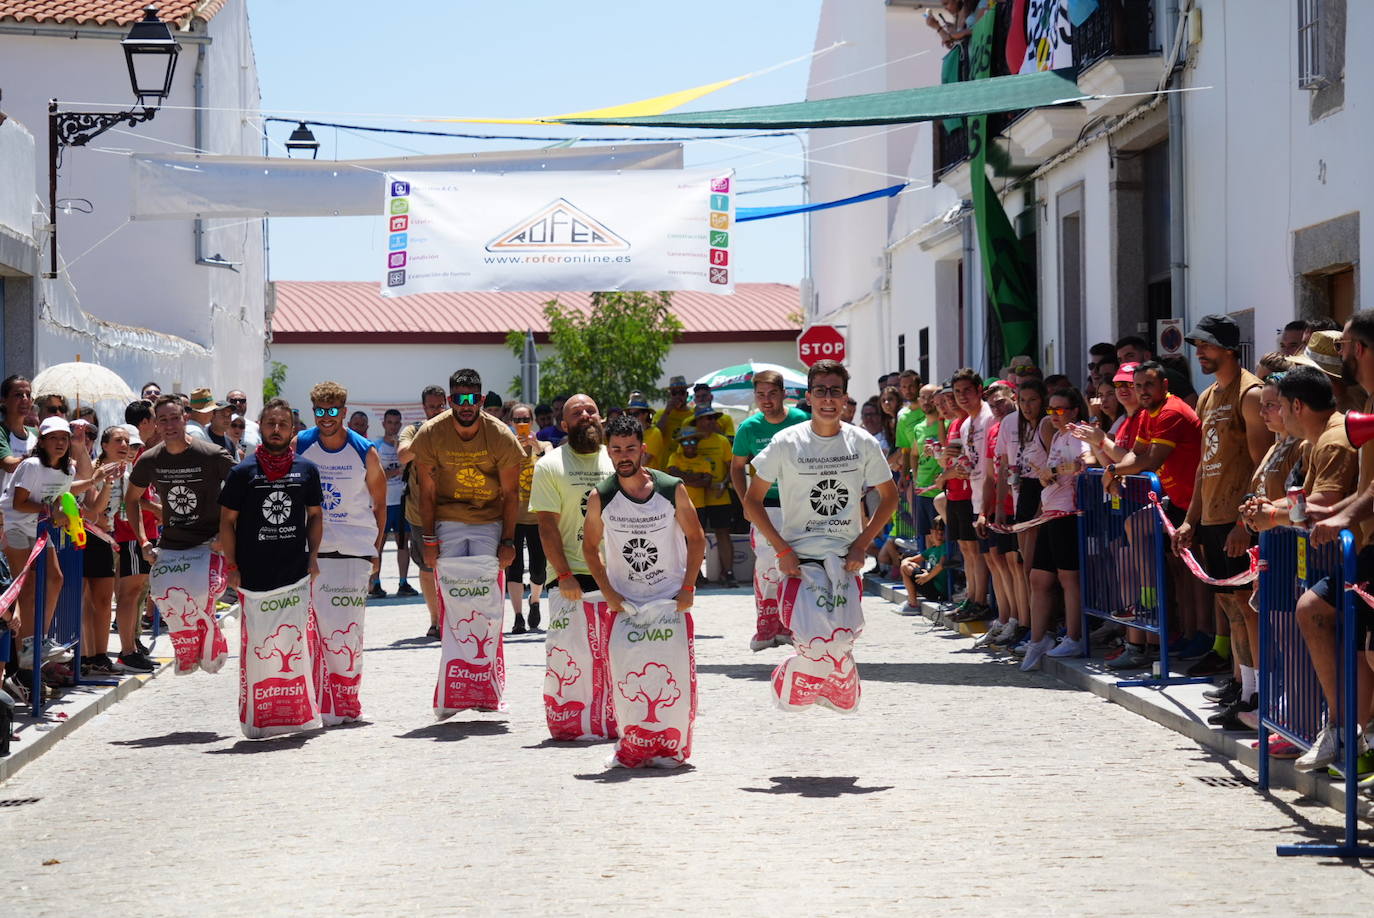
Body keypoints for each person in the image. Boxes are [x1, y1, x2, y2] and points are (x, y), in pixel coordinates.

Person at [582, 413, 706, 769]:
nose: (623, 455)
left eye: (630, 448)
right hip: (626, 607)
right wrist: (608, 592)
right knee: (626, 677)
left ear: (643, 451)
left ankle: (672, 746)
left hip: (669, 602)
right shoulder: (601, 496)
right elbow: (590, 548)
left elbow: (696, 538)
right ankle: (632, 746)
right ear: (608, 451)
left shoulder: (671, 489)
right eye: (617, 448)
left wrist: (688, 587)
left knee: (675, 677)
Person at [743, 359, 898, 610]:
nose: (828, 399)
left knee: (841, 642)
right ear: (809, 397)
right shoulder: (785, 442)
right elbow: (752, 500)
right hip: (798, 562)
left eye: (835, 391)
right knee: (812, 642)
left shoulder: (863, 442)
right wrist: (782, 551)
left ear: (844, 398)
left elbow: (890, 497)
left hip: (846, 561)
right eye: (820, 391)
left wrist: (861, 545)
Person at [1172, 315, 1267, 681]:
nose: (1200, 353)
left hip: (1237, 520)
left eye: (1206, 345)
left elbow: (1263, 465)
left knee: (1246, 606)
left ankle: (1253, 693)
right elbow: (1203, 465)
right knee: (1229, 605)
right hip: (1211, 517)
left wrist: (1245, 522)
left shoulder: (1251, 393)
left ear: (1229, 349)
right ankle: (1240, 686)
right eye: (1197, 347)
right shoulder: (1208, 397)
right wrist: (1189, 520)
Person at [1308, 310, 1374, 772]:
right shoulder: (1368, 402)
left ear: (1362, 349)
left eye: (1345, 345)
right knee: (1315, 612)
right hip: (1368, 545)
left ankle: (1356, 738)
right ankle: (1346, 733)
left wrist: (1343, 514)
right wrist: (1331, 512)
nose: (1341, 354)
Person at [1105, 363, 1206, 659]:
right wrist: (1116, 471)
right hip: (1176, 499)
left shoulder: (1171, 411)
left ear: (1163, 384)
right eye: (1138, 386)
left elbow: (1150, 460)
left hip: (1194, 502)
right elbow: (1136, 454)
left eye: (1147, 385)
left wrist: (1111, 469)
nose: (1142, 392)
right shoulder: (1147, 414)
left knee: (1197, 573)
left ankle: (1203, 636)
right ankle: (1169, 618)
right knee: (1180, 569)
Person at [2, 417, 106, 667]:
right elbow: (19, 503)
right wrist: (53, 512)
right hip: (14, 526)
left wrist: (93, 482)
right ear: (42, 442)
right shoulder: (31, 465)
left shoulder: (67, 469)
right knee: (26, 587)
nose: (59, 443)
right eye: (53, 438)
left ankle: (41, 640)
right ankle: (27, 647)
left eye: (64, 438)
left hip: (38, 527)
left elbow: (64, 493)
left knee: (56, 578)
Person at [410, 369, 521, 571]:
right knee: (453, 593)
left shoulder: (502, 435)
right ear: (450, 400)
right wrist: (429, 541)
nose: (466, 405)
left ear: (482, 400)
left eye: (473, 398)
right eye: (460, 398)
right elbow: (427, 492)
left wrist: (507, 541)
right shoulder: (430, 433)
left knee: (485, 595)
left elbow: (511, 493)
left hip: (489, 521)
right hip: (447, 521)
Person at [731, 369, 810, 651]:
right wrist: (745, 502)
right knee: (767, 564)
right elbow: (737, 467)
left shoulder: (802, 421)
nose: (766, 400)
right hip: (766, 505)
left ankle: (793, 624)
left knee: (797, 564)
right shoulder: (749, 428)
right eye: (760, 394)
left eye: (772, 393)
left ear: (783, 394)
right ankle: (766, 624)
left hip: (799, 503)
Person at [1019, 387, 1096, 671]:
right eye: (1051, 410)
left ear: (1075, 410)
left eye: (1060, 409)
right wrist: (1045, 475)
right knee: (1038, 578)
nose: (1055, 415)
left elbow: (1087, 461)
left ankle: (1074, 636)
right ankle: (1039, 638)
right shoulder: (1059, 435)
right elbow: (1049, 473)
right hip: (1051, 512)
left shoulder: (1079, 433)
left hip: (1069, 512)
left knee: (1068, 578)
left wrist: (1060, 470)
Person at [218, 398, 323, 594]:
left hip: (296, 573)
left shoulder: (307, 470)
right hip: (251, 573)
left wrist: (313, 557)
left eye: (283, 424)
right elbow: (226, 522)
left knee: (294, 626)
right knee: (256, 626)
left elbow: (316, 515)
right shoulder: (241, 472)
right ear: (260, 427)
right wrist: (232, 566)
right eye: (270, 423)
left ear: (292, 430)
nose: (276, 429)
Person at [296, 382, 388, 587]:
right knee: (311, 618)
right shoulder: (299, 445)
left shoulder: (366, 451)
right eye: (320, 411)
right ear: (313, 411)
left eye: (333, 410)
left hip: (356, 546)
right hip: (313, 547)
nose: (326, 417)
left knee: (349, 619)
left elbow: (380, 505)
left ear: (344, 412)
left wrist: (375, 550)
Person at [529, 394, 615, 608]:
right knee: (570, 643)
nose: (585, 415)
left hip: (617, 573)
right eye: (577, 413)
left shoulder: (617, 459)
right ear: (565, 426)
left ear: (601, 419)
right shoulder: (549, 465)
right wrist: (564, 574)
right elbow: (547, 526)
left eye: (590, 411)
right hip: (571, 575)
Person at [78, 425, 134, 677]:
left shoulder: (127, 470)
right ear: (105, 445)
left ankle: (99, 656)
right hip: (84, 536)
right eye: (118, 440)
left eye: (127, 440)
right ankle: (84, 655)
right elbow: (92, 510)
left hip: (106, 538)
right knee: (84, 600)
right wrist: (105, 483)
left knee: (102, 601)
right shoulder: (92, 468)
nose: (124, 445)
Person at [397, 385, 449, 638]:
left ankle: (455, 618)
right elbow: (403, 454)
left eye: (441, 406)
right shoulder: (414, 430)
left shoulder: (456, 429)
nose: (437, 411)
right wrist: (429, 433)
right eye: (431, 407)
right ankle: (436, 620)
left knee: (453, 568)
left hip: (453, 511)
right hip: (419, 513)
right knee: (427, 568)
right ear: (423, 408)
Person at [944, 369, 994, 622]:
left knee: (989, 557)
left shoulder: (990, 417)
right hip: (974, 494)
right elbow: (968, 459)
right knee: (973, 552)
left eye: (967, 390)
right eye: (957, 392)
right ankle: (972, 598)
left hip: (994, 496)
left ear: (979, 390)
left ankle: (981, 601)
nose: (962, 396)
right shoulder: (965, 424)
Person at [666, 426, 734, 588]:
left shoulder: (703, 461)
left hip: (700, 506)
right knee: (681, 541)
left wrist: (684, 477)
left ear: (697, 443)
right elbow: (672, 475)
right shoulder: (675, 457)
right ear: (681, 444)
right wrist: (695, 478)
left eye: (693, 441)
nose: (689, 445)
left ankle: (699, 573)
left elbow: (706, 482)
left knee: (696, 541)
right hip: (680, 506)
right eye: (686, 442)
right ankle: (692, 575)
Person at [507, 402, 550, 633]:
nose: (522, 424)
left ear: (532, 421)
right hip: (513, 516)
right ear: (511, 423)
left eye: (525, 419)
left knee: (538, 568)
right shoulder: (506, 445)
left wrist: (535, 447)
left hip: (536, 515)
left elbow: (552, 468)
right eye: (517, 420)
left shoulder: (544, 445)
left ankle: (534, 601)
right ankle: (517, 616)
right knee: (513, 567)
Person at [370, 408, 418, 599]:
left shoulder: (404, 447)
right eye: (390, 422)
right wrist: (396, 471)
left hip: (401, 501)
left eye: (397, 423)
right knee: (378, 545)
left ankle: (403, 582)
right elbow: (375, 475)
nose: (393, 426)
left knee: (402, 543)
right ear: (384, 424)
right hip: (382, 502)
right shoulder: (376, 446)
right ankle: (375, 583)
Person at [897, 519, 949, 610]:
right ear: (931, 532)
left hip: (939, 591)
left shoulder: (945, 547)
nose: (939, 533)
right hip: (932, 583)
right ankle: (912, 599)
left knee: (905, 568)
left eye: (942, 530)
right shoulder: (932, 549)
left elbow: (941, 564)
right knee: (906, 565)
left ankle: (912, 604)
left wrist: (928, 576)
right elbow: (910, 559)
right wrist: (905, 562)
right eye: (937, 530)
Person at [625, 394, 666, 468]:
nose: (632, 417)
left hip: (651, 478)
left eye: (636, 414)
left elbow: (643, 461)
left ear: (645, 414)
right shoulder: (629, 433)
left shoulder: (655, 433)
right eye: (629, 414)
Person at [654, 375, 695, 443]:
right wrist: (666, 413)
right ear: (670, 395)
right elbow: (656, 435)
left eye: (682, 392)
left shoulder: (694, 414)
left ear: (687, 395)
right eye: (674, 393)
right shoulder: (661, 414)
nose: (678, 396)